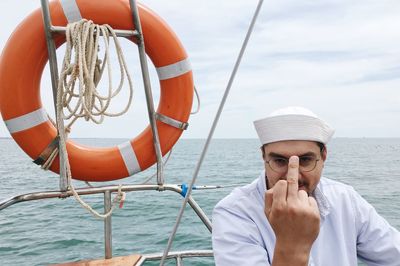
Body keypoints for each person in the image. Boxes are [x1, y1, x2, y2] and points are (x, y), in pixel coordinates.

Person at [212, 106, 400, 266]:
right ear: (264, 157)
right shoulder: (234, 212)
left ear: (323, 156)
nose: (293, 175)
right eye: (279, 160)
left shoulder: (345, 199)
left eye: (306, 160)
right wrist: (292, 245)